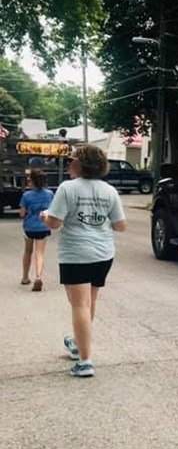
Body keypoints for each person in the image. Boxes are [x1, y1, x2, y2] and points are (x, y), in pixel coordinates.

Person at [40, 144, 126, 378]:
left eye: (71, 160)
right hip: (103, 254)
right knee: (89, 302)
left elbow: (55, 224)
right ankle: (78, 343)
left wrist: (46, 216)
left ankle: (84, 360)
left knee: (79, 305)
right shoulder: (110, 191)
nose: (69, 164)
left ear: (79, 164)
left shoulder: (67, 188)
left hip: (76, 254)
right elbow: (120, 225)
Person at [19, 168, 53, 291]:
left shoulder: (26, 195)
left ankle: (25, 278)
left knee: (28, 252)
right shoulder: (49, 194)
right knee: (40, 253)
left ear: (32, 181)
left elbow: (22, 214)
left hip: (29, 228)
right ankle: (38, 277)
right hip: (43, 226)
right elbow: (51, 210)